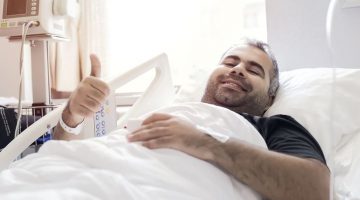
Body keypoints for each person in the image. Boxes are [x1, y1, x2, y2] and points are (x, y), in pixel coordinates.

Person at [54, 39, 330, 200]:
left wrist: (203, 142)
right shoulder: (168, 112)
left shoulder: (273, 126)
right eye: (230, 62)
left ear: (270, 98)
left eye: (254, 70)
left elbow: (314, 190)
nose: (238, 70)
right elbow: (70, 157)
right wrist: (73, 116)